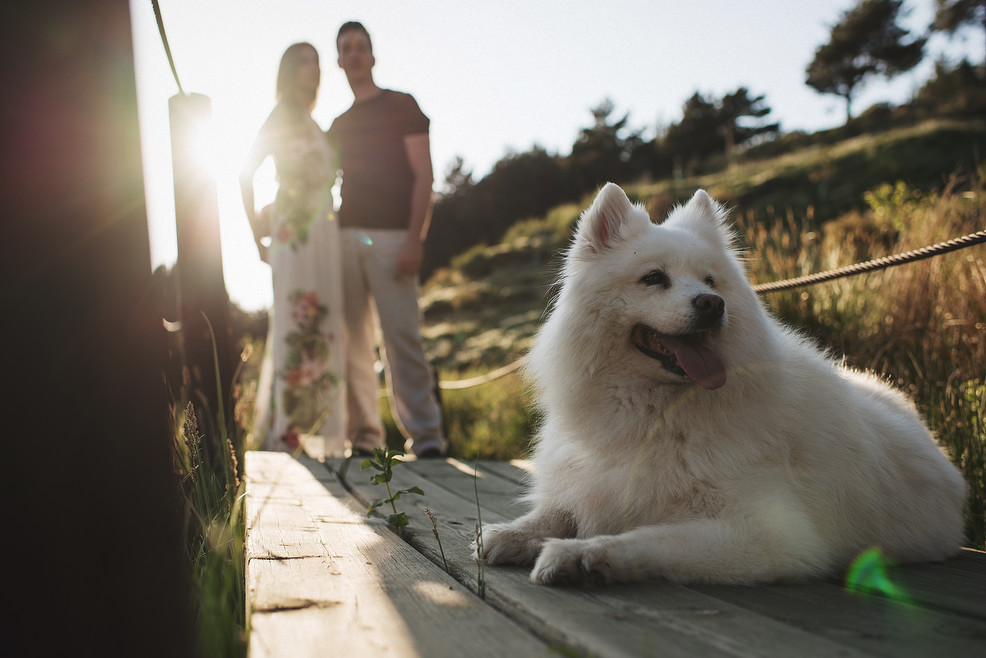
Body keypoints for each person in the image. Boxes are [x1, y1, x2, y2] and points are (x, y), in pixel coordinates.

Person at [327, 21, 446, 459]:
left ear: (373, 56)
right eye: (346, 48)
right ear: (339, 61)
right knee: (353, 343)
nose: (355, 53)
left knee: (402, 338)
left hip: (395, 238)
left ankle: (428, 440)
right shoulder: (337, 125)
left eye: (361, 46)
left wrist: (415, 239)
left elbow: (424, 175)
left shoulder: (402, 105)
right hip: (345, 239)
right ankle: (364, 440)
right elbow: (318, 185)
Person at [239, 42, 346, 455]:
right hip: (293, 228)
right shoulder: (281, 114)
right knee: (295, 317)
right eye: (303, 61)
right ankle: (286, 433)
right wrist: (256, 234)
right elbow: (245, 173)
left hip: (325, 229)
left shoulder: (313, 123)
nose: (313, 69)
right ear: (288, 71)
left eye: (316, 62)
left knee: (325, 322)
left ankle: (320, 429)